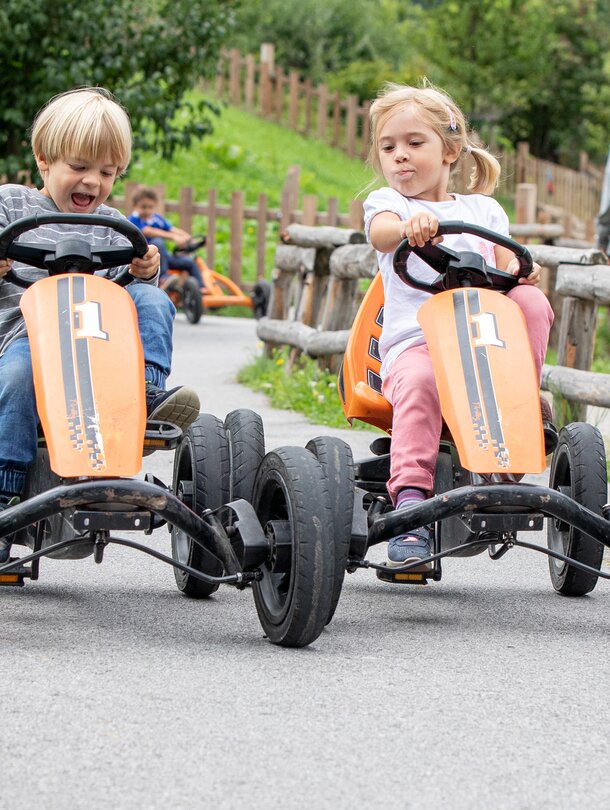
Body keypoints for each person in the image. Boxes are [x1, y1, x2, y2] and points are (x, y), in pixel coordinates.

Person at [0, 87, 201, 562]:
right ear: (44, 160)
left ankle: (148, 391)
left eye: (107, 172)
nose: (92, 181)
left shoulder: (112, 223)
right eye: (80, 167)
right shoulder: (11, 205)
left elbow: (119, 291)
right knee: (18, 375)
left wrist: (142, 272)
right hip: (26, 338)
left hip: (94, 344)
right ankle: (6, 495)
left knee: (152, 298)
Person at [363, 82, 555, 570]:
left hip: (485, 349)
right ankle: (410, 502)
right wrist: (408, 229)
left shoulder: (482, 210)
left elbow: (509, 257)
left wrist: (522, 268)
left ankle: (515, 425)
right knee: (424, 382)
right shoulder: (392, 205)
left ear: (449, 151)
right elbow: (382, 233)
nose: (400, 157)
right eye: (389, 148)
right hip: (418, 347)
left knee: (530, 300)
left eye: (414, 144)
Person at [128, 186, 206, 291]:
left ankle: (201, 290)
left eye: (150, 207)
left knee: (189, 263)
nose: (147, 210)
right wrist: (174, 237)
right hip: (146, 259)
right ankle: (163, 278)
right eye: (143, 207)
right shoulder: (134, 219)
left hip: (163, 258)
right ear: (135, 206)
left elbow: (171, 229)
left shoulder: (157, 219)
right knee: (157, 243)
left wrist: (188, 239)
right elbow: (148, 231)